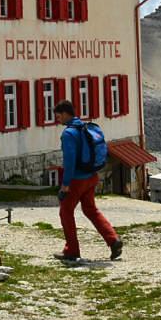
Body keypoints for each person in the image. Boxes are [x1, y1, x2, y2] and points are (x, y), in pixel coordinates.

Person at [53, 100, 123, 262]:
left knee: (66, 212)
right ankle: (113, 240)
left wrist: (65, 185)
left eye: (58, 116)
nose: (58, 120)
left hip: (77, 180)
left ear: (65, 114)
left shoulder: (69, 134)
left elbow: (69, 162)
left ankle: (72, 250)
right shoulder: (86, 127)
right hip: (91, 176)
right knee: (91, 209)